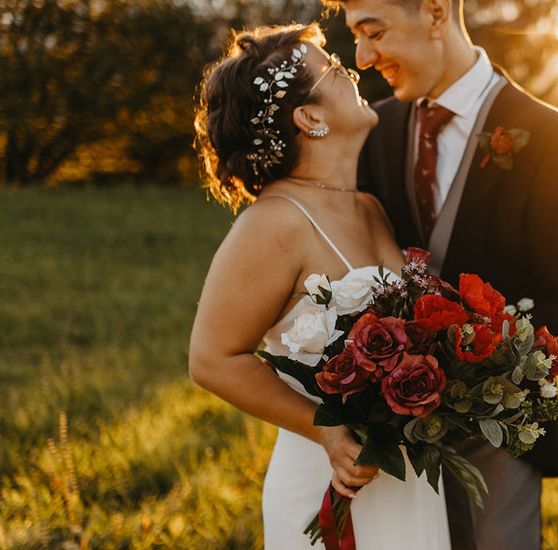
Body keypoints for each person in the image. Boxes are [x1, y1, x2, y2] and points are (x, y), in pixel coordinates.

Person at [326, 0, 558, 548]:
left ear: (434, 13)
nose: (361, 57)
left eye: (373, 32)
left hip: (499, 432)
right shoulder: (377, 130)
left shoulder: (550, 135)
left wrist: (477, 378)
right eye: (356, 37)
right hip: (393, 433)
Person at [188, 23, 450, 549]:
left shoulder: (370, 208)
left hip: (409, 479)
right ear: (309, 117)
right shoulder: (274, 222)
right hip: (331, 480)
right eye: (333, 67)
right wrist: (326, 430)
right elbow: (212, 358)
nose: (351, 70)